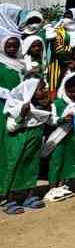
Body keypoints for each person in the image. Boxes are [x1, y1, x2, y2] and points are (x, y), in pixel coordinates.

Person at [3, 76, 52, 212]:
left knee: (32, 167)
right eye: (40, 89)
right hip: (19, 142)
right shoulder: (17, 106)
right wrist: (22, 116)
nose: (44, 91)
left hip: (34, 142)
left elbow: (50, 120)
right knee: (16, 168)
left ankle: (29, 196)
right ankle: (10, 200)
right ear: (30, 91)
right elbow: (11, 127)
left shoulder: (39, 106)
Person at [43, 69, 75, 200]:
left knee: (70, 159)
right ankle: (52, 187)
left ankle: (63, 185)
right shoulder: (58, 103)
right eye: (70, 91)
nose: (74, 95)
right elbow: (51, 120)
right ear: (65, 89)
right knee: (56, 161)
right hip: (58, 138)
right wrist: (62, 119)